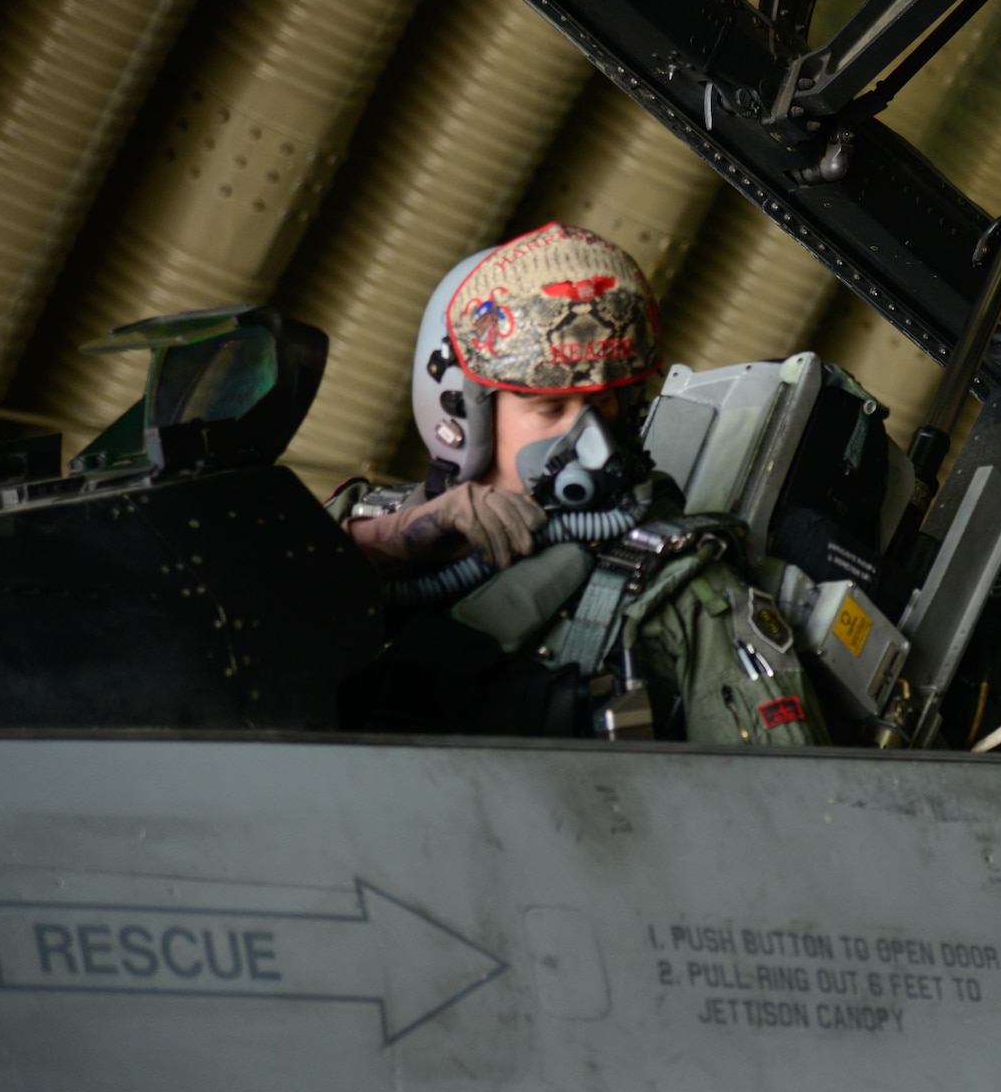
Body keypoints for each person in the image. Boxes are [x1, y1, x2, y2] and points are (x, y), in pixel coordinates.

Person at [328, 221, 826, 746]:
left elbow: (791, 801)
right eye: (550, 407)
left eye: (603, 402)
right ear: (463, 411)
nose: (587, 436)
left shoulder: (682, 594)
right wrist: (393, 541)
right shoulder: (354, 522)